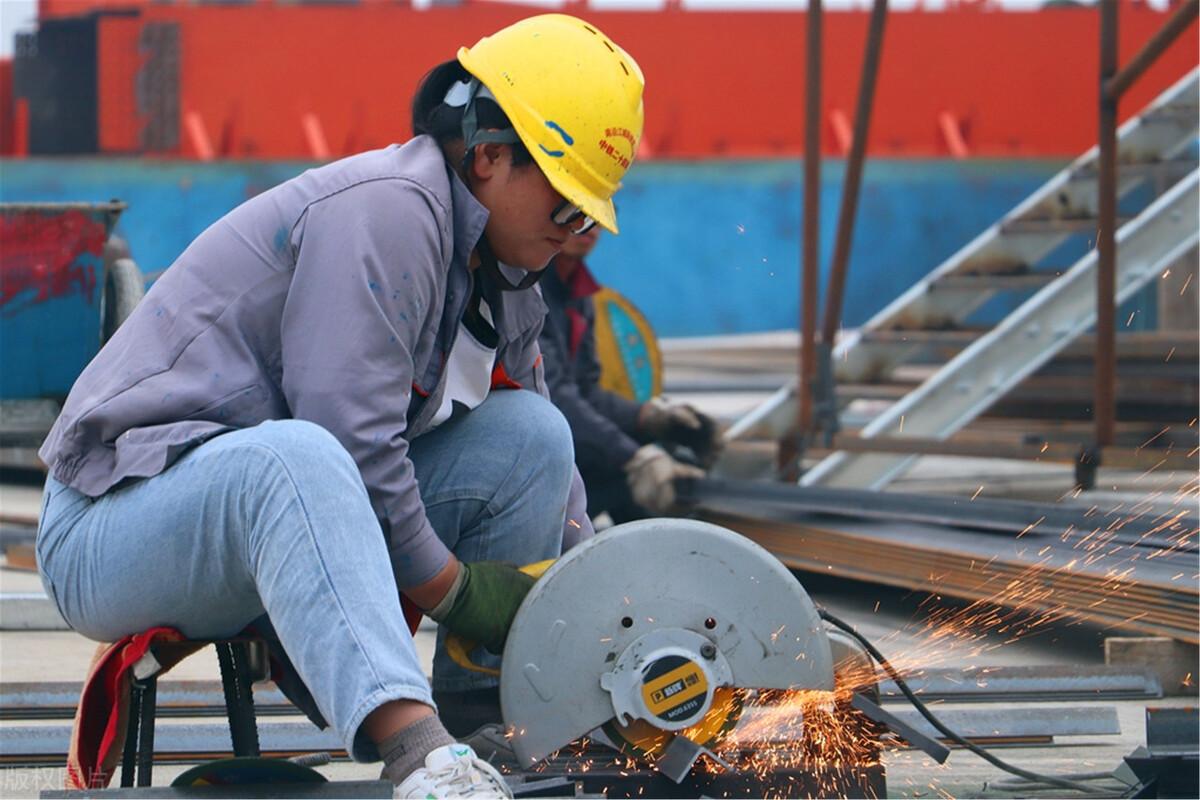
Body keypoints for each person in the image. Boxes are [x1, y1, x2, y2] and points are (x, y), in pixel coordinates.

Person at [34, 14, 643, 798]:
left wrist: (602, 624)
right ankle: (422, 758)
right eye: (568, 208)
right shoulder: (389, 214)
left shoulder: (503, 270)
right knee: (303, 454)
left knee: (531, 435)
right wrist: (455, 590)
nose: (575, 233)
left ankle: (491, 727)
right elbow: (348, 447)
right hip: (109, 527)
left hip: (264, 513)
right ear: (489, 157)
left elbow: (555, 483)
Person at [538, 227, 721, 524]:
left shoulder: (580, 293)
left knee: (671, 452)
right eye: (573, 208)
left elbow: (587, 390)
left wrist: (649, 416)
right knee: (628, 477)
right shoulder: (528, 286)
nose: (587, 225)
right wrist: (634, 459)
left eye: (595, 216)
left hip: (566, 437)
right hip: (540, 454)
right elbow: (554, 397)